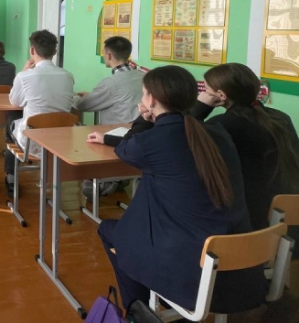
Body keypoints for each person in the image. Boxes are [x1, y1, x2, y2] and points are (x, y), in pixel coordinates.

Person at [88, 66, 266, 313]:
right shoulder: (218, 132)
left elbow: (126, 147)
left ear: (151, 99)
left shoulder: (150, 142)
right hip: (240, 265)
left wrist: (144, 118)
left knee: (109, 229)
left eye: (144, 94)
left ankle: (139, 311)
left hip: (188, 273)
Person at [192, 63, 299, 233]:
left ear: (221, 95)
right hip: (287, 218)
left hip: (252, 224)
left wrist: (199, 109)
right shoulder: (281, 118)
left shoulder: (221, 125)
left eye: (205, 89)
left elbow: (182, 138)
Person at [5, 30, 74, 194]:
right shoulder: (68, 75)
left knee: (11, 119)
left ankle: (11, 176)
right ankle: (50, 176)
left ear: (32, 50)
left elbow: (15, 102)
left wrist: (23, 71)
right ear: (55, 51)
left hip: (33, 142)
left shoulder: (24, 76)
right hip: (61, 141)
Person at [74, 36, 144, 124]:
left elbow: (81, 105)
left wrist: (73, 97)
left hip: (116, 131)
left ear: (108, 55)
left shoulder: (110, 84)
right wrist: (91, 96)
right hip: (141, 129)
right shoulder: (144, 76)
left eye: (103, 53)